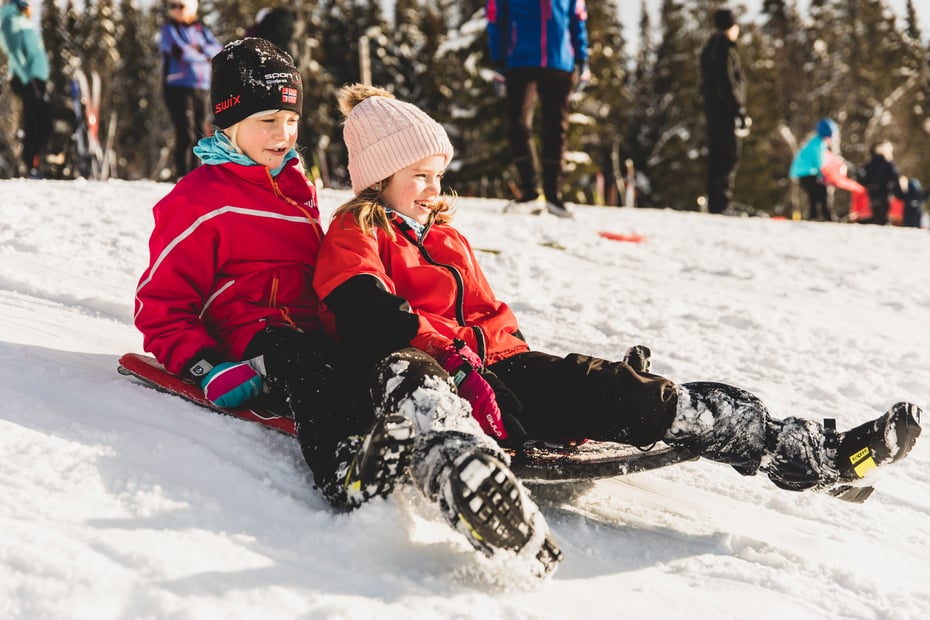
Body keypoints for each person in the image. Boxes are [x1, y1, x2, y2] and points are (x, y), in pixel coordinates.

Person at [315, 85, 922, 538]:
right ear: (376, 178)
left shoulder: (445, 237)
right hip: (440, 381)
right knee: (566, 389)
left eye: (439, 175)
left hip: (504, 371)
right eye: (418, 176)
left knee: (636, 394)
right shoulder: (356, 229)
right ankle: (472, 473)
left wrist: (518, 362)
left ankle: (806, 451)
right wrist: (446, 350)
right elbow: (363, 309)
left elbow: (494, 313)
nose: (433, 190)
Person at [134, 39, 561, 579]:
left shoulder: (295, 188)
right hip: (257, 341)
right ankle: (346, 468)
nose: (284, 135)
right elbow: (161, 305)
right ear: (227, 120)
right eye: (267, 120)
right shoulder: (197, 199)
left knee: (388, 367)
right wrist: (203, 365)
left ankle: (454, 463)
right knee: (305, 366)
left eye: (291, 119)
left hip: (317, 331)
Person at [486, 0, 590, 218]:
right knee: (518, 124)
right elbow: (496, 17)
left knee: (556, 128)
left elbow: (578, 18)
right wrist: (498, 61)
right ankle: (530, 193)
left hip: (559, 62)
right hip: (520, 60)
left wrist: (582, 59)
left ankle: (553, 196)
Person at [159, 0, 222, 180]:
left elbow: (218, 50)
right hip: (177, 86)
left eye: (180, 6)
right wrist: (203, 56)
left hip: (201, 86)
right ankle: (182, 173)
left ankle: (197, 173)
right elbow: (181, 52)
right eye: (172, 6)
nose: (176, 10)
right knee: (185, 130)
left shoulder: (201, 30)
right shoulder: (169, 30)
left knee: (201, 131)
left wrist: (199, 49)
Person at [699, 8, 749, 215]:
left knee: (717, 157)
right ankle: (722, 203)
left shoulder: (710, 48)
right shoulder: (724, 50)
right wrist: (738, 109)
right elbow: (727, 83)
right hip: (724, 112)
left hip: (713, 112)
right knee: (728, 156)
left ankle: (716, 203)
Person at [0, 0, 52, 178]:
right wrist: (28, 78)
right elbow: (14, 51)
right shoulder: (9, 20)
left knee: (41, 122)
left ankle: (35, 164)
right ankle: (30, 166)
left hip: (35, 79)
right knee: (35, 123)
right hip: (27, 80)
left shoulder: (20, 20)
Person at [789, 118, 840, 221]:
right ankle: (828, 217)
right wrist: (823, 175)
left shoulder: (816, 141)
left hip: (804, 173)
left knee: (814, 195)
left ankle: (813, 216)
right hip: (805, 173)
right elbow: (819, 162)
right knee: (822, 192)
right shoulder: (819, 144)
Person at [857, 141, 905, 226]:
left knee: (875, 215)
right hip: (883, 193)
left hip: (871, 193)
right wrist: (900, 194)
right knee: (881, 217)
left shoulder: (869, 163)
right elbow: (895, 178)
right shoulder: (888, 164)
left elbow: (862, 178)